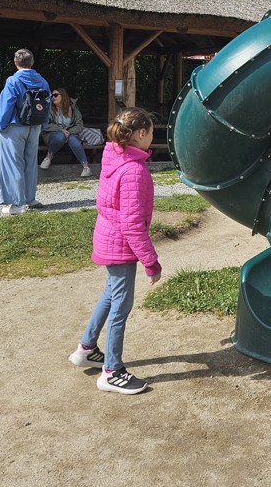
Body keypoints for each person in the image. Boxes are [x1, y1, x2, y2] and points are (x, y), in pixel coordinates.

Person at [68, 107, 161, 394]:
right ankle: (111, 371)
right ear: (142, 133)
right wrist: (151, 262)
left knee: (110, 294)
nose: (152, 137)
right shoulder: (134, 170)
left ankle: (86, 349)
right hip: (121, 246)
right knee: (121, 307)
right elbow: (132, 224)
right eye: (151, 133)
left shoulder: (114, 156)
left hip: (108, 238)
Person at [0, 48, 51, 215]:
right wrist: (43, 124)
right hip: (35, 126)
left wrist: (0, 125)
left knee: (13, 164)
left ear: (15, 62)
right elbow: (46, 105)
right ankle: (30, 199)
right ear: (32, 62)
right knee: (30, 163)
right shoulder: (43, 81)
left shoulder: (12, 81)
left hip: (15, 126)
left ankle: (17, 204)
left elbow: (6, 105)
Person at [40, 87, 90, 177]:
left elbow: (79, 125)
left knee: (74, 140)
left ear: (63, 96)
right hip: (53, 135)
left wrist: (69, 131)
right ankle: (48, 158)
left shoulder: (73, 109)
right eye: (52, 95)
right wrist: (61, 130)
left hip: (70, 134)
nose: (53, 97)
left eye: (55, 95)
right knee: (60, 136)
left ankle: (86, 167)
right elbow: (45, 124)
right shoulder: (49, 108)